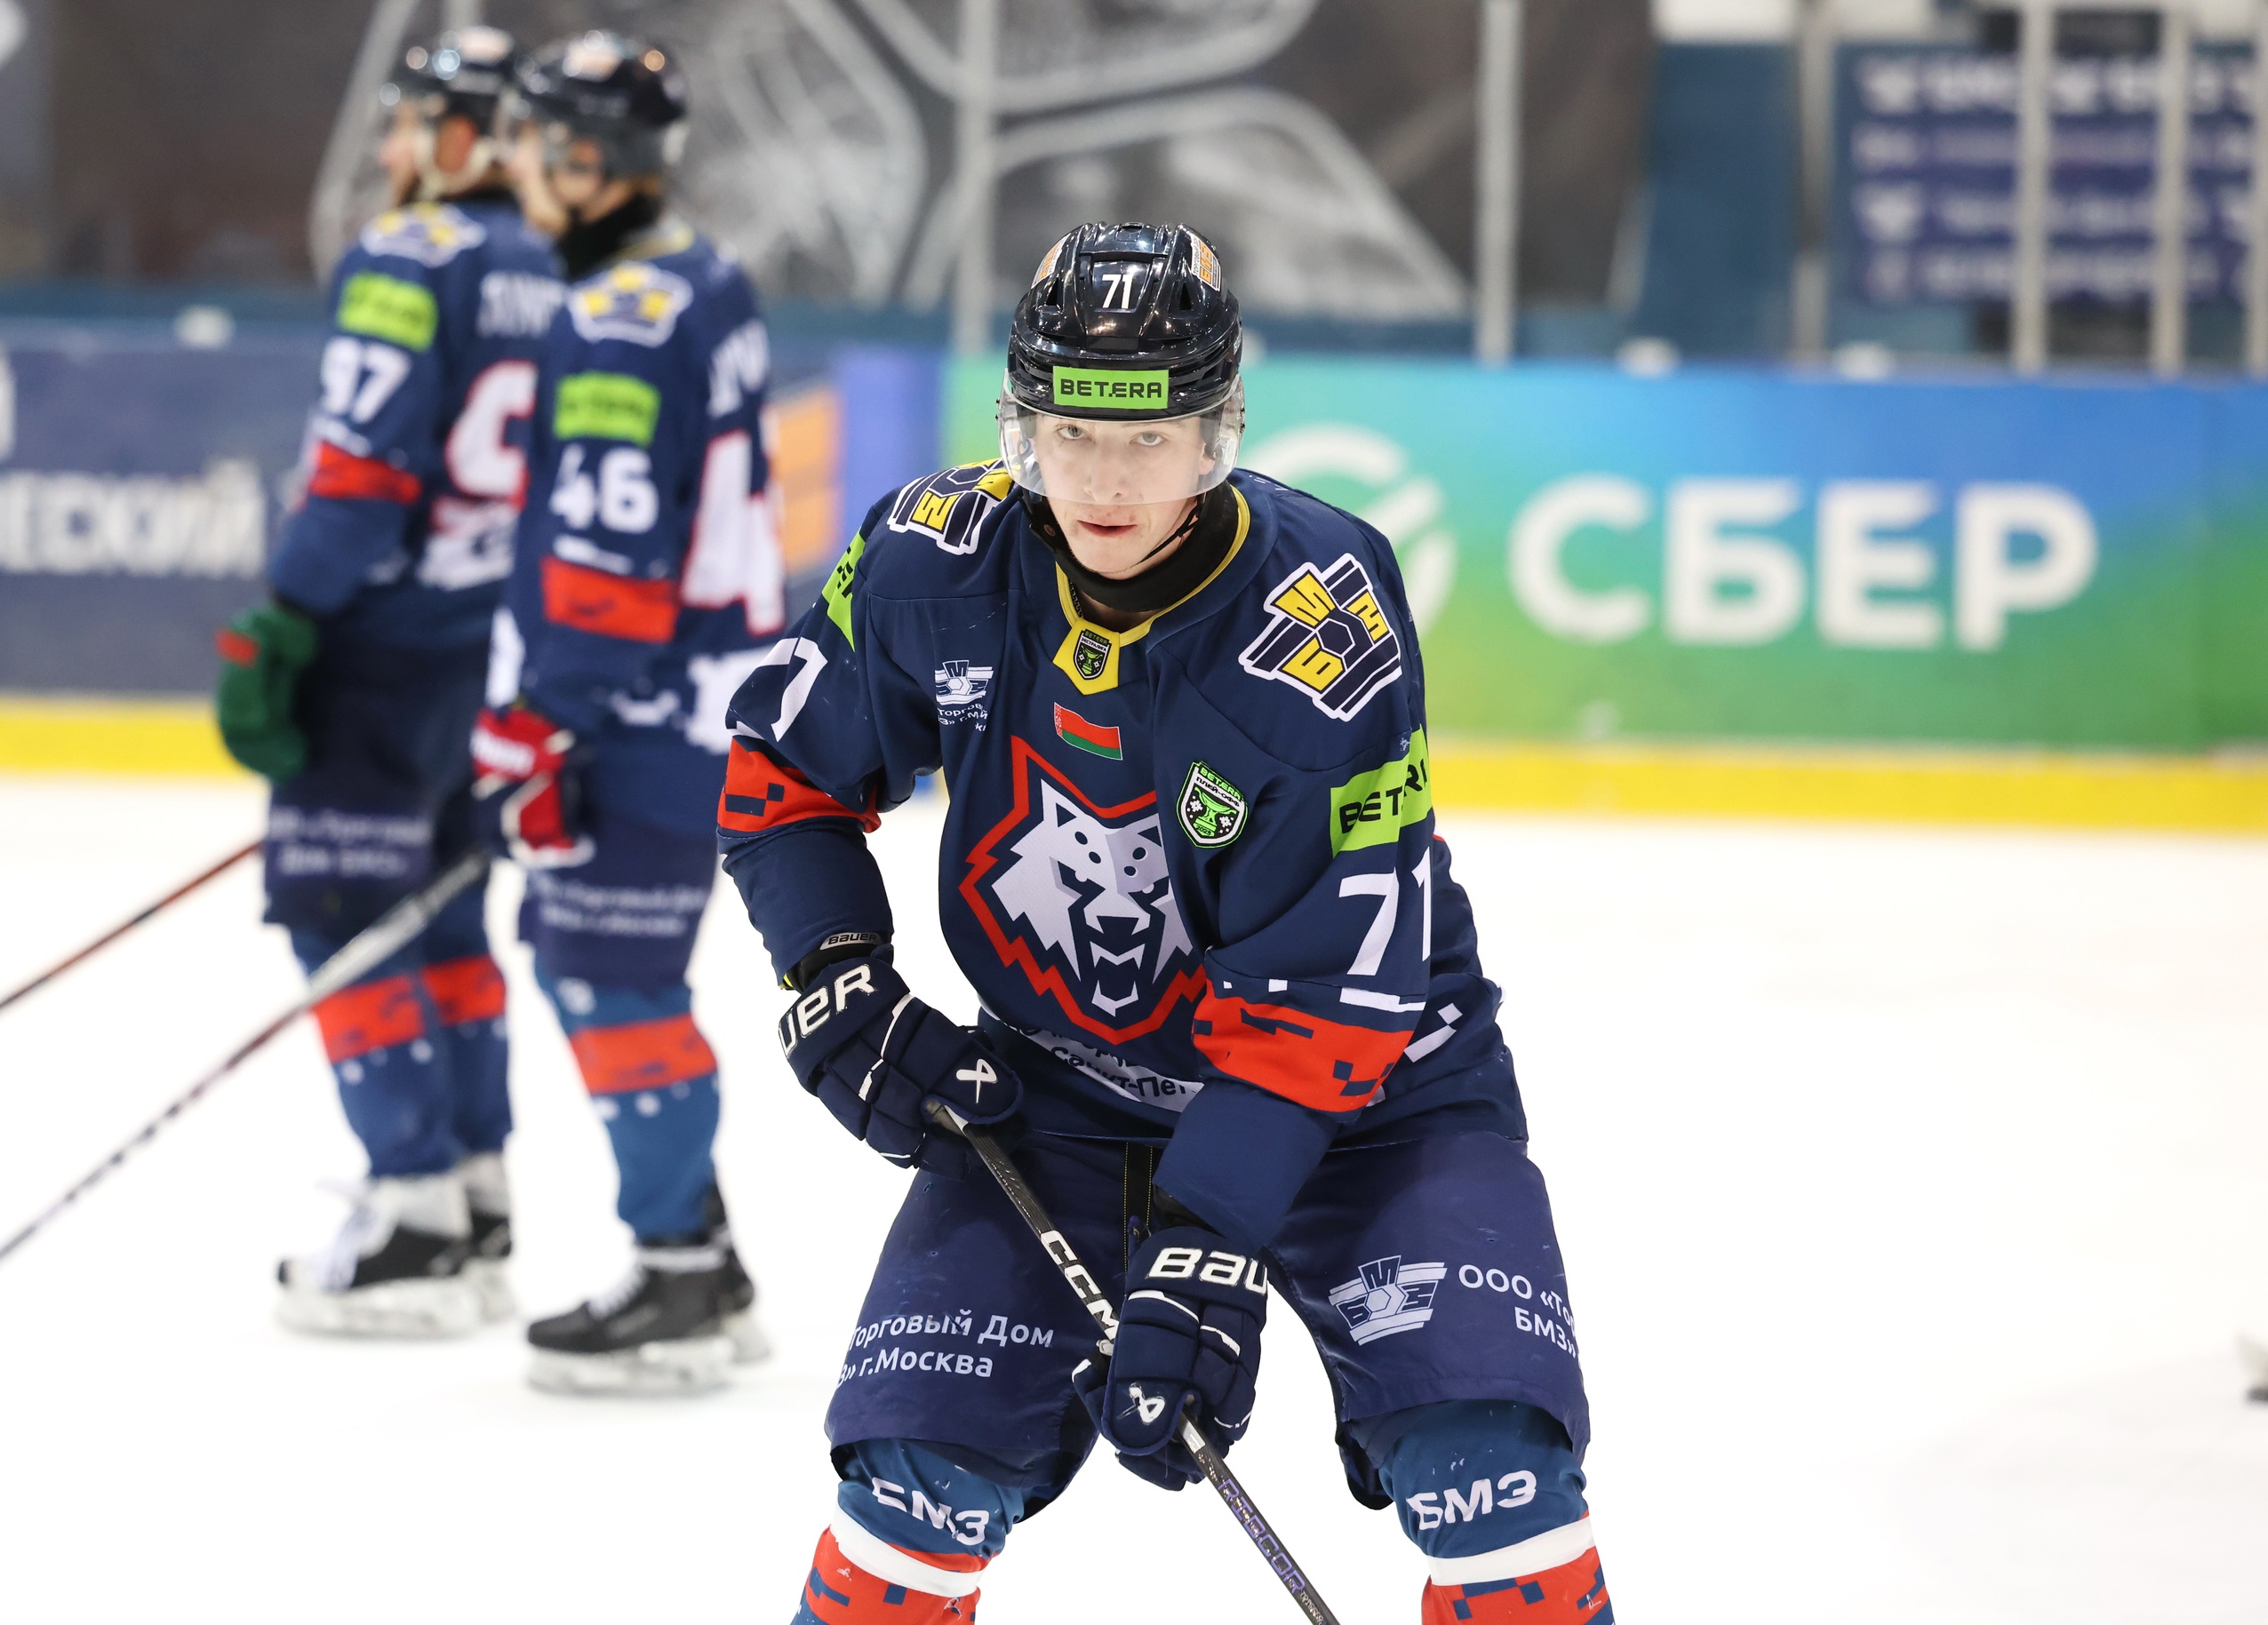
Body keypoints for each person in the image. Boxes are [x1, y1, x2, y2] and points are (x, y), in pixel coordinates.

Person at [720, 221, 1614, 1624]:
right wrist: (833, 970)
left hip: (1369, 1100)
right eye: (1073, 432)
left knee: (1492, 1471)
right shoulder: (929, 560)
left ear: (1216, 432)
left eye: (1148, 438)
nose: (1104, 478)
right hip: (1062, 1094)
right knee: (912, 1485)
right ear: (1022, 425)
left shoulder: (1318, 623)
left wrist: (1207, 1236)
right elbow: (783, 769)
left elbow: (1327, 994)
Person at [217, 26, 560, 1337]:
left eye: (414, 120)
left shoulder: (408, 257)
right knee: (445, 920)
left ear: (463, 136)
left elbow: (359, 473)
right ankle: (473, 1192)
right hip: (489, 656)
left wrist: (285, 616)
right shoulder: (556, 266)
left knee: (341, 914)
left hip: (377, 654)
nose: (396, 146)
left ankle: (412, 1209)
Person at [472, 31, 781, 1394]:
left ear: (589, 159)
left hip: (643, 715)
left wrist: (543, 718)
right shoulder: (697, 274)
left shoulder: (617, 318)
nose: (513, 162)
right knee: (595, 960)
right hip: (688, 703)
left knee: (611, 973)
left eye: (532, 141)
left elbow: (607, 563)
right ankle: (697, 1255)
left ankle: (682, 1273)